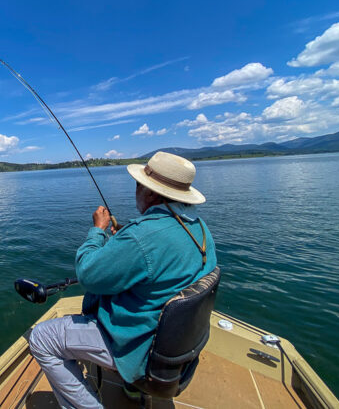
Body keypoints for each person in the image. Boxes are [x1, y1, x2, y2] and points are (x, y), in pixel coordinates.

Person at [29, 151, 217, 409]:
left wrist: (97, 231)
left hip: (142, 346)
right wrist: (124, 241)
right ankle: (131, 389)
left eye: (139, 185)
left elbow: (88, 274)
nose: (136, 190)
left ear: (150, 193)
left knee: (41, 338)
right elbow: (157, 263)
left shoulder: (142, 237)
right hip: (176, 347)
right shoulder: (200, 229)